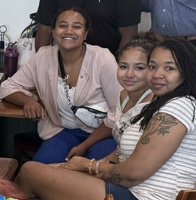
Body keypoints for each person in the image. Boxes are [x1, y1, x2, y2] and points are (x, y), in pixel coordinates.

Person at [16, 38, 196, 200]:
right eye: (153, 67)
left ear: (186, 72)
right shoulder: (170, 103)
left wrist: (89, 166)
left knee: (30, 171)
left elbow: (132, 174)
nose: (157, 74)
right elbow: (126, 156)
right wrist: (82, 169)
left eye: (169, 68)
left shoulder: (178, 107)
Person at [0, 7, 121, 164]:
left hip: (103, 134)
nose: (69, 31)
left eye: (76, 26)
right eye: (63, 25)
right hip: (63, 132)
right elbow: (8, 86)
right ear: (53, 31)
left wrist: (84, 146)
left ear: (85, 34)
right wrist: (28, 101)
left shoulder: (102, 58)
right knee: (38, 172)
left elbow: (119, 110)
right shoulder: (43, 56)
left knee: (94, 172)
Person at [65, 33, 158, 163]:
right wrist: (93, 163)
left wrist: (91, 167)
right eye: (123, 66)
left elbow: (142, 161)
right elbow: (116, 138)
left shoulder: (155, 104)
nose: (129, 74)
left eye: (139, 68)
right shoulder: (123, 95)